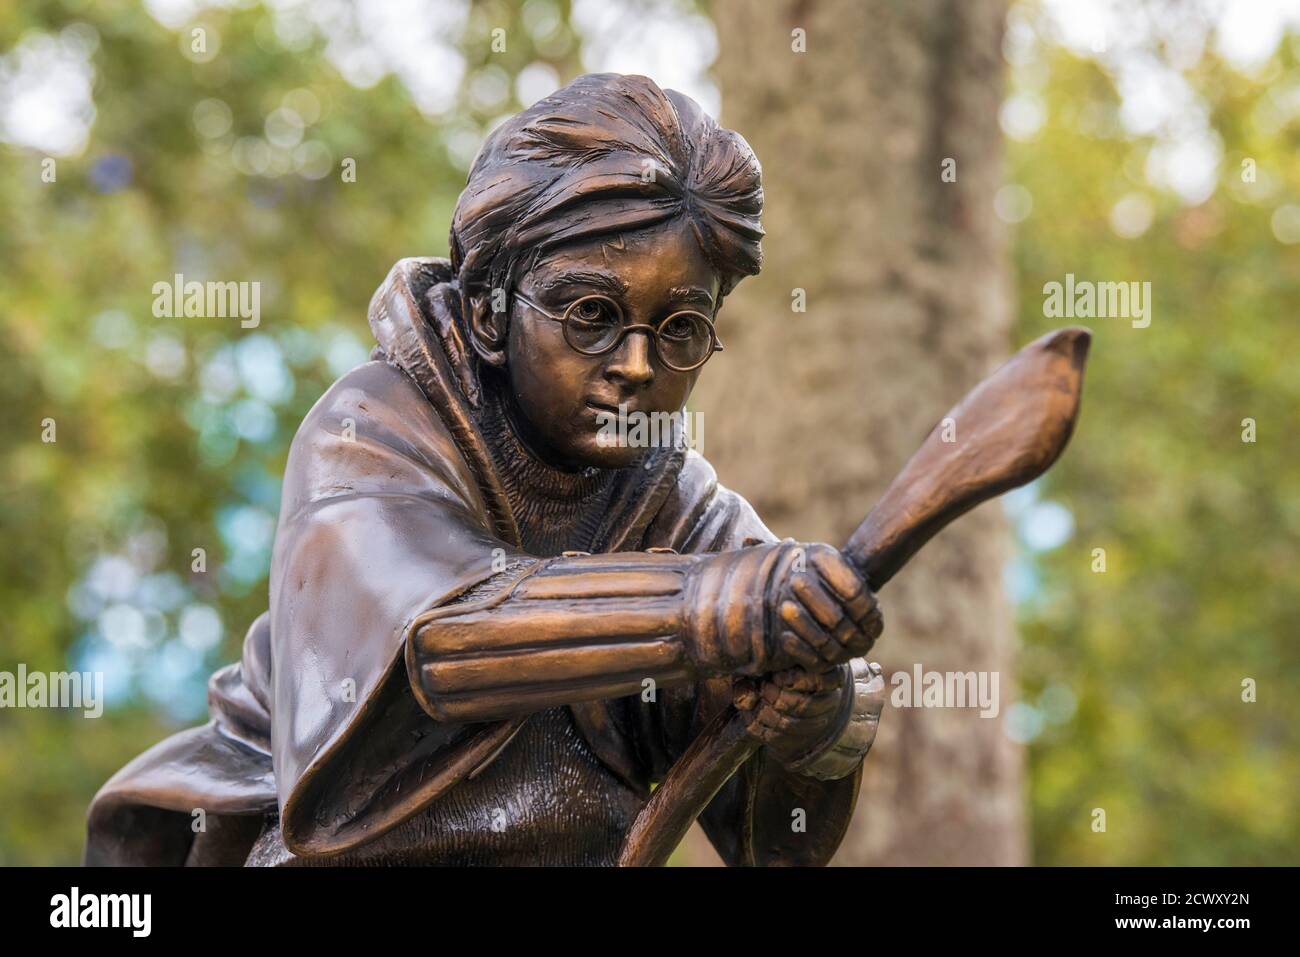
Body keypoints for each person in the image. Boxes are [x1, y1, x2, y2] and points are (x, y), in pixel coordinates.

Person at [85, 72, 886, 867]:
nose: (637, 365)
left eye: (680, 327)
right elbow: (440, 639)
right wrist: (712, 607)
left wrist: (817, 709)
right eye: (591, 315)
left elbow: (775, 837)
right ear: (488, 311)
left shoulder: (679, 503)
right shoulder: (369, 430)